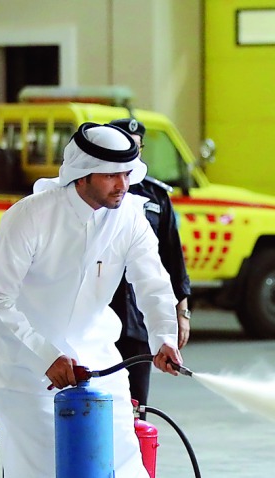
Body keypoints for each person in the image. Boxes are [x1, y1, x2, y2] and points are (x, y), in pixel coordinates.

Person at [0, 123, 192, 478]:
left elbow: (153, 281)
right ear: (83, 174)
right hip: (28, 373)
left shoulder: (131, 217)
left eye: (127, 173)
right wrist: (44, 355)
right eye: (112, 175)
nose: (123, 184)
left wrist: (164, 336)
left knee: (122, 475)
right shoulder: (30, 217)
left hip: (98, 366)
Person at [106, 118, 191, 408]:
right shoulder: (101, 194)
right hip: (104, 313)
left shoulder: (156, 196)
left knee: (136, 405)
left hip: (139, 319)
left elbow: (171, 258)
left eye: (137, 147)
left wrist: (181, 312)